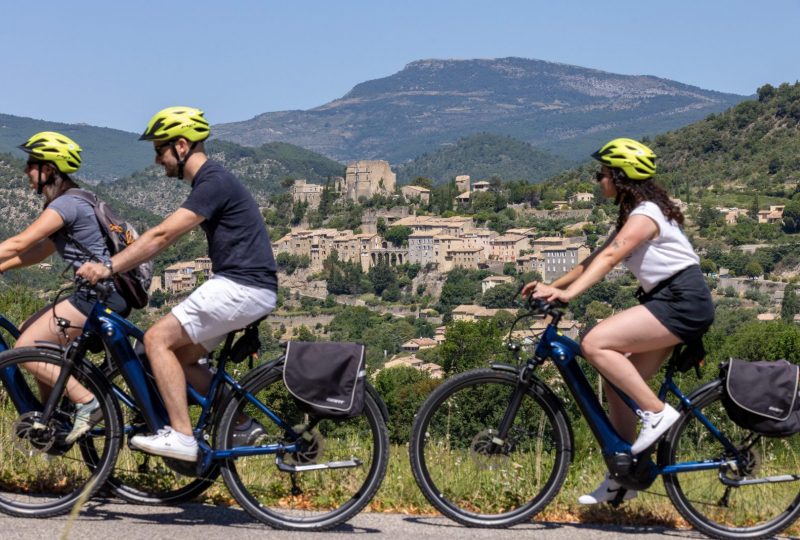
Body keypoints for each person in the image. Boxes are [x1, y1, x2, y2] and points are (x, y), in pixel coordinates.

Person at [77, 106, 279, 462]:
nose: (158, 160)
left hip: (240, 286)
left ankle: (182, 436)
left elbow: (163, 234)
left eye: (160, 150)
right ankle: (242, 423)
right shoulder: (213, 180)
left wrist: (110, 267)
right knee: (179, 360)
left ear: (182, 145)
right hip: (249, 288)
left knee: (156, 340)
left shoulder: (213, 181)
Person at [522, 137, 714, 505]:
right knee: (616, 386)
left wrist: (568, 295)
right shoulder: (636, 213)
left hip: (680, 302)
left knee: (595, 342)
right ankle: (624, 475)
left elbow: (611, 258)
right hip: (672, 302)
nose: (599, 181)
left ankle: (657, 415)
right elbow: (593, 259)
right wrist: (552, 286)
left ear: (620, 177)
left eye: (602, 174)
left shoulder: (645, 216)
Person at [0, 131, 131, 443]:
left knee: (25, 350)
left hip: (99, 294)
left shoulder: (66, 205)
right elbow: (37, 252)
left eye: (31, 163)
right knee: (27, 329)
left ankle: (88, 402)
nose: (25, 170)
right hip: (100, 293)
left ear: (49, 170)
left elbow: (20, 241)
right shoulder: (73, 202)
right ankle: (51, 417)